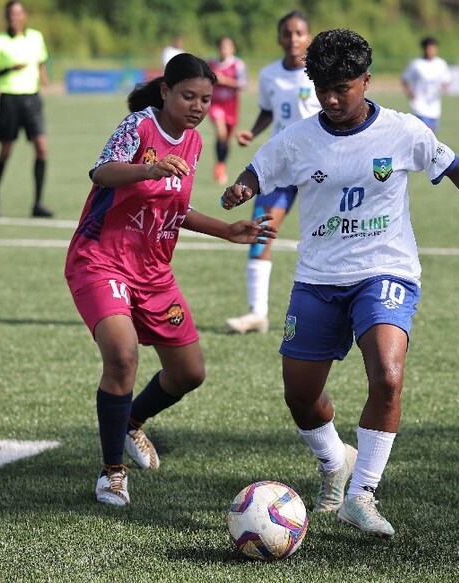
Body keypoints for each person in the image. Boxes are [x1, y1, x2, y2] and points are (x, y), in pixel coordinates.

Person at [220, 29, 459, 537]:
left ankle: (362, 493)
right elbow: (259, 169)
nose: (331, 99)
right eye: (322, 88)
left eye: (342, 88)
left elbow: (454, 166)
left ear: (366, 81)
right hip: (318, 278)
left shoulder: (403, 131)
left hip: (385, 270)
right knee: (301, 397)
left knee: (388, 376)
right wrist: (242, 187)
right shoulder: (300, 138)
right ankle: (334, 460)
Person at [66, 53, 275, 506]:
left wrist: (226, 230)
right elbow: (101, 172)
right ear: (165, 91)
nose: (198, 106)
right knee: (121, 357)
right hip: (102, 259)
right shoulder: (139, 127)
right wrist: (149, 167)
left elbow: (173, 211)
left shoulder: (194, 143)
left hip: (154, 271)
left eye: (205, 98)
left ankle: (130, 422)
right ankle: (111, 473)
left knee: (189, 373)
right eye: (188, 96)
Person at [225, 10, 321, 335]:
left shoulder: (320, 73)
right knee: (260, 230)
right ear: (279, 38)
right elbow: (268, 110)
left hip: (318, 166)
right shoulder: (268, 75)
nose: (293, 39)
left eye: (299, 33)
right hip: (279, 167)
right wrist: (252, 132)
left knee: (328, 236)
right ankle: (257, 313)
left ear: (308, 36)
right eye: (287, 33)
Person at [0, 0, 53, 218]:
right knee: (5, 151)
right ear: (6, 16)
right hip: (9, 99)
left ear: (24, 16)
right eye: (11, 14)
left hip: (32, 99)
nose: (15, 17)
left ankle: (38, 204)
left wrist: (43, 77)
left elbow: (40, 61)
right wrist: (8, 69)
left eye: (18, 13)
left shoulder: (36, 38)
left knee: (41, 147)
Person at [207, 36, 248, 183]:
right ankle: (219, 166)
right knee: (221, 132)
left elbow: (243, 84)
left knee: (226, 139)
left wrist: (224, 81)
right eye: (221, 46)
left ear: (232, 49)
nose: (224, 49)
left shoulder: (238, 64)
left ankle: (221, 164)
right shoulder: (210, 63)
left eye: (227, 46)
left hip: (231, 105)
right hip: (215, 104)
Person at [400, 36, 452, 132]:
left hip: (434, 105)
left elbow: (446, 80)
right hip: (419, 104)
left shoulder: (441, 64)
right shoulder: (416, 64)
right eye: (429, 48)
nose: (432, 51)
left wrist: (444, 88)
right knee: (425, 130)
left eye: (433, 48)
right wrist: (410, 93)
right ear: (424, 49)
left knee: (431, 134)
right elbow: (405, 79)